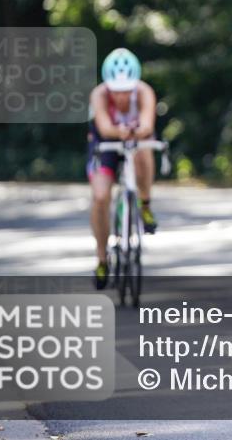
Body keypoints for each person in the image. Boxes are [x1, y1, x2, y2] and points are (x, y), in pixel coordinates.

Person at [87, 48, 159, 290]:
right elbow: (105, 127)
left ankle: (145, 204)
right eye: (116, 91)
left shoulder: (144, 92)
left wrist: (135, 132)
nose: (121, 96)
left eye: (126, 90)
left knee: (144, 151)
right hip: (105, 141)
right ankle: (102, 259)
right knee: (100, 197)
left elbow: (147, 124)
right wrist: (120, 131)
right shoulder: (99, 94)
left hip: (136, 137)